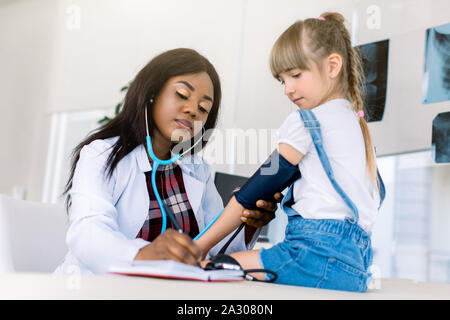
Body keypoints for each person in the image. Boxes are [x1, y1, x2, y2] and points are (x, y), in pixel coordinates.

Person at [195, 12, 386, 292]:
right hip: (357, 266)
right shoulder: (357, 127)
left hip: (312, 256)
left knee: (215, 268)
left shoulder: (306, 121)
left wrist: (198, 246)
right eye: (282, 80)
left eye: (295, 75)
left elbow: (257, 189)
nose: (288, 89)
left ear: (333, 66)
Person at [54, 48, 280, 274]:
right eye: (182, 94)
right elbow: (88, 232)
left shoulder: (196, 170)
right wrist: (141, 255)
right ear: (151, 93)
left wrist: (249, 224)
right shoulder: (101, 154)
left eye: (203, 108)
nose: (193, 110)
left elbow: (214, 249)